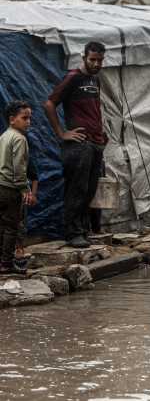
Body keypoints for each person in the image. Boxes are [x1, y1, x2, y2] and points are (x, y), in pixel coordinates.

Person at [44, 41, 106, 248]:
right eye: (92, 60)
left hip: (96, 143)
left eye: (100, 60)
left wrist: (101, 132)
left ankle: (83, 229)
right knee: (77, 190)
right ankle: (73, 233)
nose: (96, 64)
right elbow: (50, 103)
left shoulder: (94, 80)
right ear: (84, 57)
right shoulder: (73, 78)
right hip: (79, 145)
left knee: (90, 190)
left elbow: (93, 110)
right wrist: (62, 133)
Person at [0, 100, 33, 274]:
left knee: (2, 225)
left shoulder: (4, 136)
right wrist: (24, 188)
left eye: (29, 118)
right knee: (12, 227)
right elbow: (19, 167)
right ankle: (6, 264)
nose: (28, 122)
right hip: (11, 189)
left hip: (1, 186)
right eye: (24, 118)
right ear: (12, 119)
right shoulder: (19, 139)